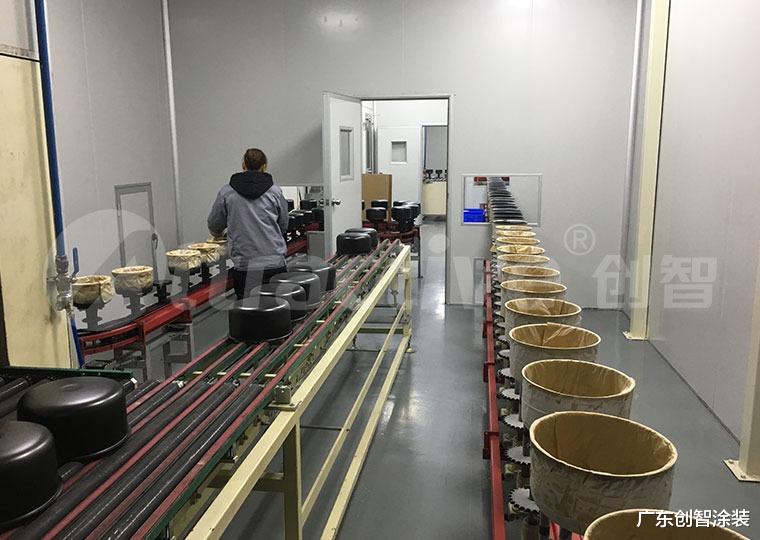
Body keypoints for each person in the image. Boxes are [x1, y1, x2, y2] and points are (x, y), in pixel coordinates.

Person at [208, 148, 289, 299]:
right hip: (274, 263)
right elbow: (284, 225)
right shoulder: (275, 192)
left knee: (249, 310)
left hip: (245, 267)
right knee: (278, 309)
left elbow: (214, 225)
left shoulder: (227, 192)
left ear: (243, 165)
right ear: (264, 166)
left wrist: (221, 234)